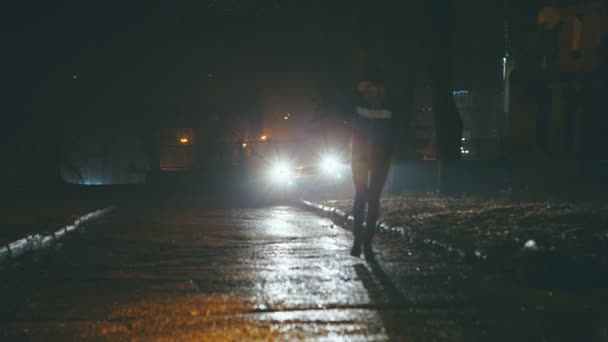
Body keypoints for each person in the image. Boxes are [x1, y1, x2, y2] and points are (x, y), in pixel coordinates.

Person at [348, 70, 395, 259]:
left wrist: (390, 153)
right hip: (359, 157)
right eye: (369, 87)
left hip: (381, 158)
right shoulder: (357, 105)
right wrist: (357, 91)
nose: (374, 91)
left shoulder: (390, 107)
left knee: (374, 198)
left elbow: (394, 133)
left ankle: (367, 242)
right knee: (361, 195)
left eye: (377, 87)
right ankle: (358, 239)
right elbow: (342, 107)